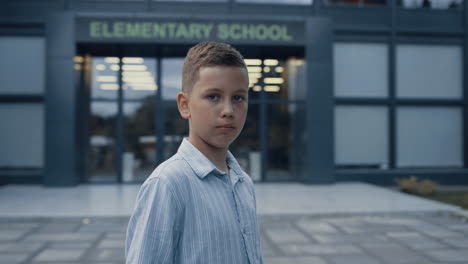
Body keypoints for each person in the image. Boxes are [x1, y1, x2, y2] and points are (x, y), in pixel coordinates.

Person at [125, 41, 263, 264]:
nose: (228, 111)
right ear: (184, 105)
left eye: (238, 98)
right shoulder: (168, 185)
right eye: (213, 97)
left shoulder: (243, 182)